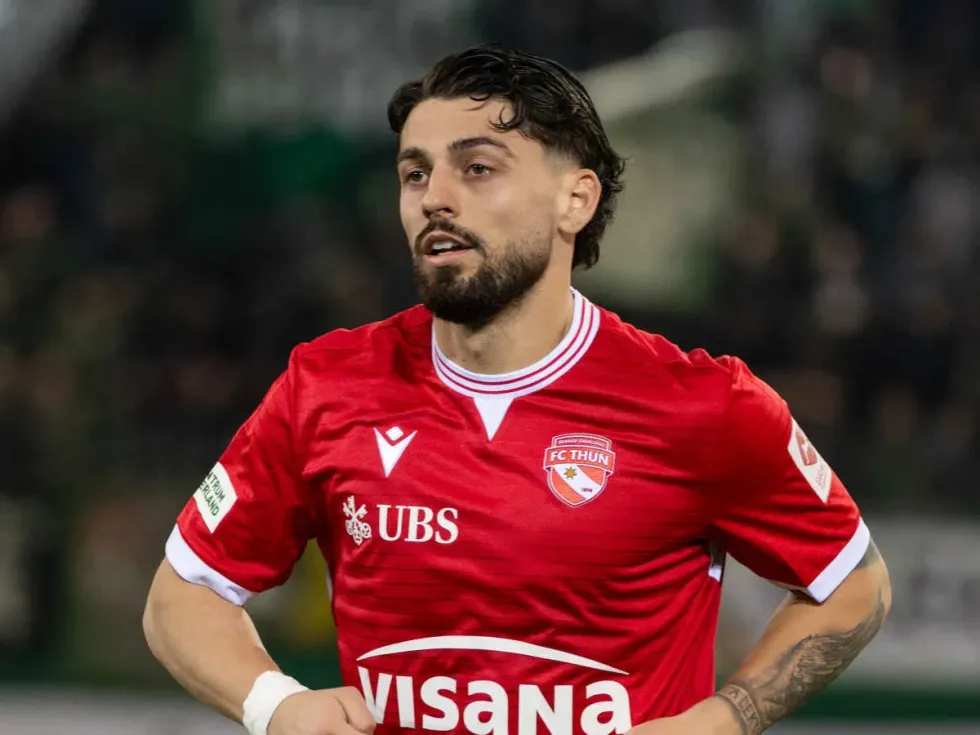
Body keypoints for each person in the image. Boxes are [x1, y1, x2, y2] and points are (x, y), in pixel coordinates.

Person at [143, 44, 891, 735]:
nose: (435, 197)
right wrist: (275, 703)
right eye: (414, 173)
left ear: (576, 200)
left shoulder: (703, 403)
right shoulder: (326, 386)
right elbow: (183, 593)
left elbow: (854, 586)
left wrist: (723, 719)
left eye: (477, 168)